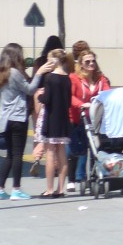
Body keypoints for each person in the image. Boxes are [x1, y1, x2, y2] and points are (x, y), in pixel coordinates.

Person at [0, 43, 56, 200]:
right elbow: (30, 89)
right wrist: (39, 73)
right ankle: (16, 189)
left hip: (4, 119)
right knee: (18, 154)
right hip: (18, 117)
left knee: (9, 155)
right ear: (15, 56)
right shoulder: (15, 73)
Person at [68, 48, 110, 191]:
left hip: (95, 119)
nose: (91, 64)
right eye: (87, 61)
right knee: (77, 150)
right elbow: (70, 96)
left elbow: (107, 93)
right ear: (81, 64)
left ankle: (94, 177)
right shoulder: (74, 78)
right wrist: (81, 104)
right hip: (78, 118)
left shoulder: (100, 78)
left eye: (93, 61)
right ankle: (71, 179)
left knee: (95, 148)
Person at [37, 48, 73, 197]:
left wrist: (40, 96)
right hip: (63, 119)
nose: (47, 63)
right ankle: (61, 189)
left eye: (49, 60)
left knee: (50, 153)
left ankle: (50, 189)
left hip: (51, 118)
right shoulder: (67, 78)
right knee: (62, 154)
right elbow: (69, 102)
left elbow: (47, 99)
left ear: (55, 60)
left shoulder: (50, 78)